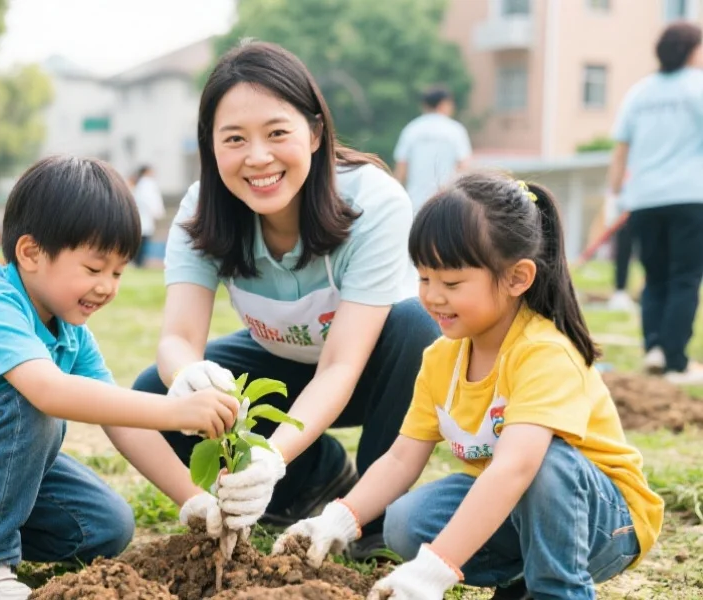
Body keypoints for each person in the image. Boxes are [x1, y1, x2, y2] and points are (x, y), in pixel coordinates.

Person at [0, 156, 240, 600]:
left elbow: (118, 416)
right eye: (94, 269)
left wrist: (193, 499)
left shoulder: (71, 332)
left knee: (106, 526)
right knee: (32, 405)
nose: (107, 287)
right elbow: (50, 393)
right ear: (31, 253)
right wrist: (174, 410)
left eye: (118, 272)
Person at [272, 174, 664, 600]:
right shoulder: (442, 359)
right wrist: (339, 519)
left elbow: (516, 467)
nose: (433, 297)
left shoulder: (544, 353)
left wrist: (434, 570)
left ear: (517, 278)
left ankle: (556, 589)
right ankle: (519, 581)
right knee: (406, 522)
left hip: (606, 522)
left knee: (544, 461)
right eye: (424, 278)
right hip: (520, 508)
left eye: (452, 284)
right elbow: (402, 458)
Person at [131, 40, 440, 558]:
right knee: (155, 393)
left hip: (372, 373)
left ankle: (372, 518)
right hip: (283, 369)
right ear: (210, 147)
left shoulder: (372, 202)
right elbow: (179, 340)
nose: (258, 158)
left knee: (415, 326)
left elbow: (341, 366)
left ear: (315, 133)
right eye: (234, 139)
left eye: (277, 133)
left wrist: (270, 454)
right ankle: (313, 478)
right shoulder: (201, 210)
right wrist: (189, 377)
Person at [609, 21, 703, 383]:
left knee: (655, 276)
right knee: (685, 277)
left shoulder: (640, 92)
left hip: (644, 199)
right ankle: (676, 361)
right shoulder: (698, 86)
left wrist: (614, 195)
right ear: (692, 50)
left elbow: (621, 150)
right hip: (690, 196)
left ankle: (654, 347)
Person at [393, 86, 472, 213]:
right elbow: (464, 167)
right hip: (446, 203)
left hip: (415, 202)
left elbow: (401, 169)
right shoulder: (455, 130)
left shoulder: (412, 129)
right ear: (443, 104)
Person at [130, 164, 166, 267]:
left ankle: (138, 262)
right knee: (142, 241)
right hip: (144, 217)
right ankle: (138, 262)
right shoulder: (147, 183)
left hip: (143, 217)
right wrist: (157, 212)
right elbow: (150, 200)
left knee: (142, 240)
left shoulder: (141, 183)